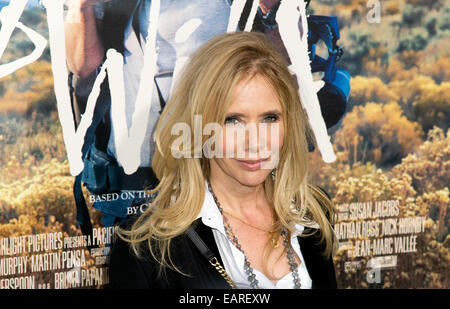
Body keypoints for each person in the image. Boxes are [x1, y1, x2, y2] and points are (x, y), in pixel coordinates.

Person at [108, 32, 337, 289]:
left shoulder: (313, 213)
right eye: (232, 120)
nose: (255, 142)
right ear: (200, 127)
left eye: (270, 118)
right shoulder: (146, 248)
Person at [64, 0, 291, 229]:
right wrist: (82, 7)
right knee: (136, 259)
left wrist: (269, 14)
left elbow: (283, 65)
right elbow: (81, 66)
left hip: (221, 172)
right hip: (136, 179)